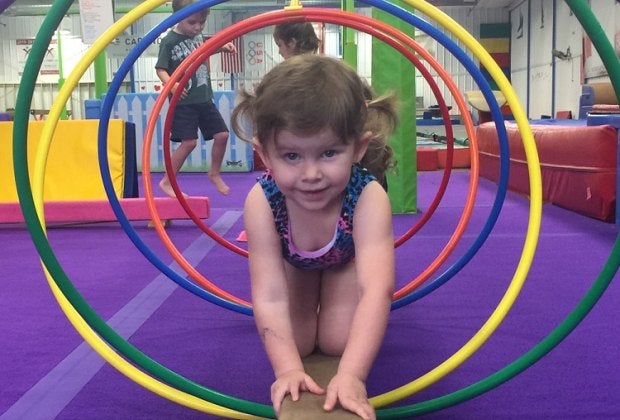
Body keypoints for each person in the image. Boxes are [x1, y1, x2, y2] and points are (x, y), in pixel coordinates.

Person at [231, 55, 397, 420]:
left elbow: (377, 290)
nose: (311, 174)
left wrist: (352, 375)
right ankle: (310, 294)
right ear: (264, 153)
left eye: (329, 153)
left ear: (358, 148)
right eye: (291, 155)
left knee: (338, 341)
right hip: (295, 264)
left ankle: (331, 292)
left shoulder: (368, 197)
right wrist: (288, 370)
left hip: (345, 260)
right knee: (299, 343)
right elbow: (268, 295)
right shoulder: (262, 201)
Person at [155, 0, 235, 197]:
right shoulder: (169, 41)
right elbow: (160, 69)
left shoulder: (197, 37)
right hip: (183, 102)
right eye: (192, 22)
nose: (198, 27)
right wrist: (172, 84)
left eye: (202, 22)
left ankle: (214, 173)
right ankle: (167, 181)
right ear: (178, 18)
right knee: (189, 142)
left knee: (222, 135)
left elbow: (203, 50)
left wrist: (221, 48)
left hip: (204, 98)